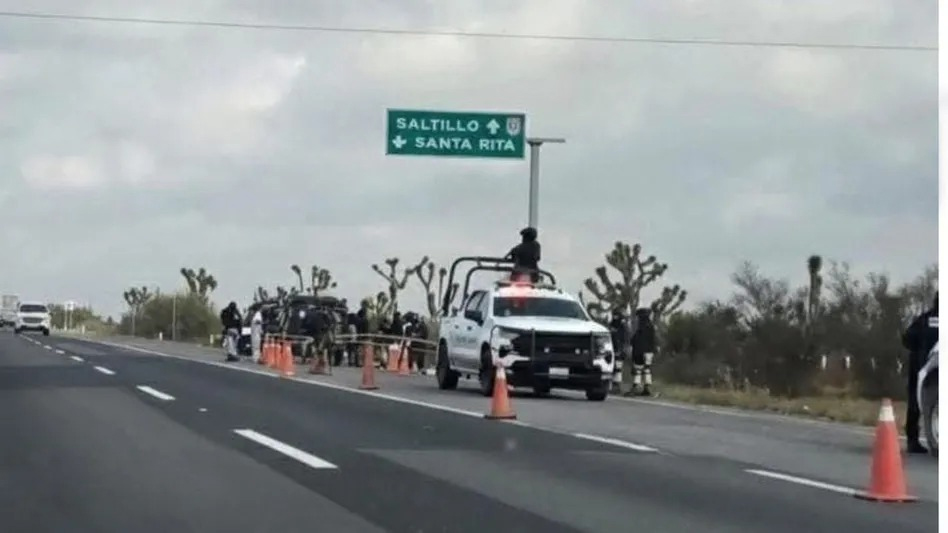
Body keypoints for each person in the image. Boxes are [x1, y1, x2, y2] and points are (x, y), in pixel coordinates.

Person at [901, 292, 938, 454]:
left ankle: (912, 440)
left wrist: (918, 351)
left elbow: (907, 339)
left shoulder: (924, 319)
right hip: (928, 366)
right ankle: (913, 440)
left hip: (920, 365)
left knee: (915, 404)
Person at [630, 308, 657, 396]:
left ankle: (636, 387)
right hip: (649, 351)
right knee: (647, 369)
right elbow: (653, 340)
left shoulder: (640, 328)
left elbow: (636, 341)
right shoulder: (651, 326)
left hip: (640, 351)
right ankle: (647, 387)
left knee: (638, 369)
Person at [608, 309, 631, 393]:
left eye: (616, 315)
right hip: (612, 348)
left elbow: (625, 337)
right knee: (612, 367)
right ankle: (613, 385)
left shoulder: (623, 325)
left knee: (618, 367)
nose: (615, 317)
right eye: (614, 315)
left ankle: (616, 385)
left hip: (619, 348)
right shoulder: (612, 324)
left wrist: (624, 348)